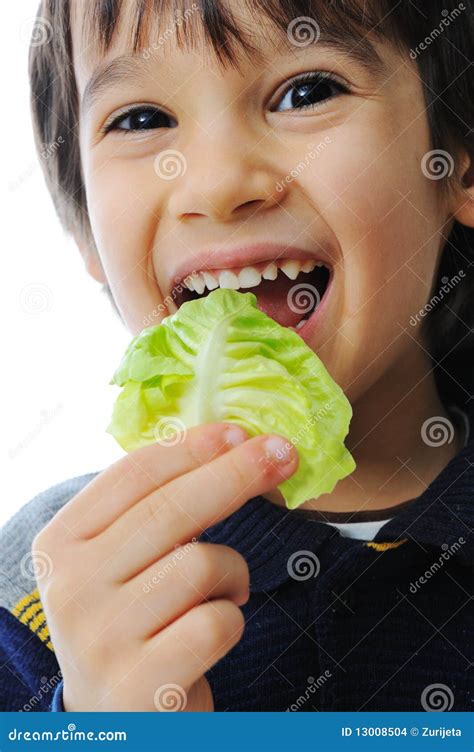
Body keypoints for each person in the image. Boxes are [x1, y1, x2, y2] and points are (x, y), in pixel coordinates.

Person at [1, 0, 472, 711]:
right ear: (87, 235)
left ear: (456, 164)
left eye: (306, 92)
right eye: (140, 120)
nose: (219, 184)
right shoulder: (46, 580)